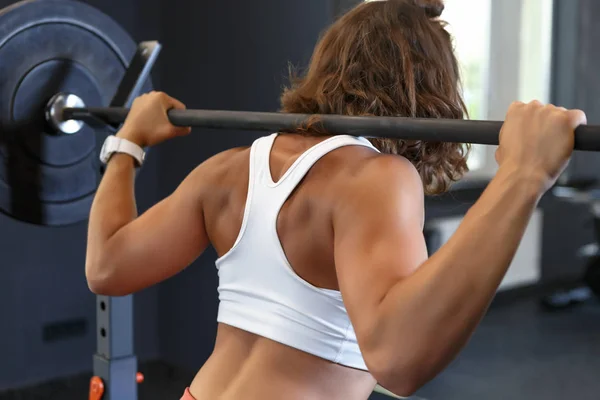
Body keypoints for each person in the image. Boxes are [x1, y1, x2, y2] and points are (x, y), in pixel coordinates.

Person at [85, 0, 587, 399]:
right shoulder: (377, 178)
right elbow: (398, 358)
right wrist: (523, 175)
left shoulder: (225, 171)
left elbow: (107, 266)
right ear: (433, 89)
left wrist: (127, 143)